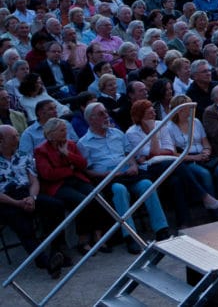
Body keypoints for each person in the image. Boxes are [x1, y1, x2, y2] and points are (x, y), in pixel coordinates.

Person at [77, 103, 171, 253]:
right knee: (119, 190)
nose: (106, 116)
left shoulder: (118, 134)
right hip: (108, 178)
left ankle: (161, 228)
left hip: (128, 173)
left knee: (147, 184)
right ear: (91, 119)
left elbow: (130, 155)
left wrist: (133, 165)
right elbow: (88, 171)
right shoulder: (84, 143)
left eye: (106, 112)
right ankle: (130, 235)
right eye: (101, 114)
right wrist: (109, 175)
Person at [0, 124, 68, 277]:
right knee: (21, 222)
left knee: (56, 206)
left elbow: (34, 181)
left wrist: (32, 197)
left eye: (17, 135)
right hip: (6, 199)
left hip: (27, 193)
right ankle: (44, 261)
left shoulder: (24, 155)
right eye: (13, 137)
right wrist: (17, 203)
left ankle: (56, 249)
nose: (17, 139)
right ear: (1, 140)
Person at [34, 117, 105, 254]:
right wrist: (70, 169)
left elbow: (83, 164)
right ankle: (83, 240)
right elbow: (48, 174)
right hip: (57, 185)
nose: (65, 133)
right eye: (62, 130)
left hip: (76, 179)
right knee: (81, 201)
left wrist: (67, 154)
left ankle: (98, 235)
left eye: (65, 130)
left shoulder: (71, 145)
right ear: (51, 133)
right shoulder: (41, 150)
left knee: (98, 196)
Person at [165, 94, 218, 220]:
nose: (191, 110)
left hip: (203, 156)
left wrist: (206, 151)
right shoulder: (169, 128)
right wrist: (194, 158)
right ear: (179, 110)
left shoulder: (196, 122)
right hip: (187, 160)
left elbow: (205, 142)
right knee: (204, 174)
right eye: (188, 107)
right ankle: (215, 214)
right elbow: (173, 153)